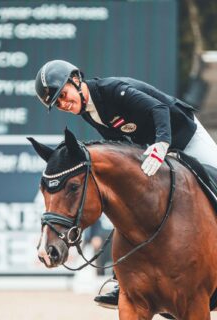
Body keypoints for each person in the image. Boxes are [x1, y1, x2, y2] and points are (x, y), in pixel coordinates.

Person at [34, 59, 217, 308]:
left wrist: (162, 144)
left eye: (63, 95)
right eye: (58, 104)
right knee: (132, 205)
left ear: (76, 80)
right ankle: (125, 277)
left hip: (184, 137)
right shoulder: (88, 112)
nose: (64, 104)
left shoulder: (112, 90)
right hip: (151, 148)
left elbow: (159, 109)